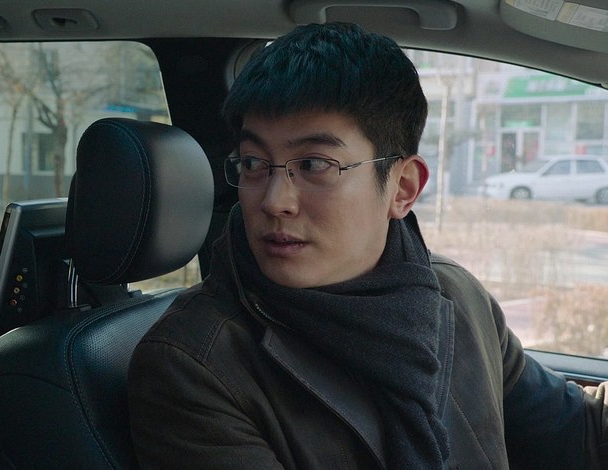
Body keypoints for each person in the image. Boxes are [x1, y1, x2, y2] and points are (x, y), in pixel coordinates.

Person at [127, 22, 608, 469]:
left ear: (402, 188)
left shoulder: (454, 296)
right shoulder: (193, 364)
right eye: (254, 163)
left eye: (314, 165)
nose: (274, 201)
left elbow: (577, 433)